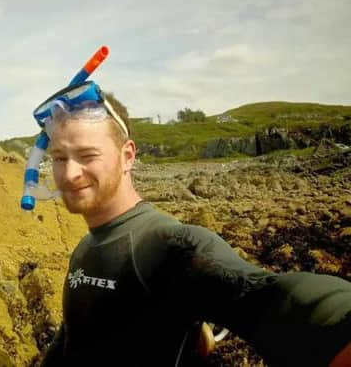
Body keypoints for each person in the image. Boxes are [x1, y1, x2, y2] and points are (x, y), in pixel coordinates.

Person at [35, 81, 351, 366]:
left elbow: (269, 295)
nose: (69, 173)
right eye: (60, 157)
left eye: (87, 155)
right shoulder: (86, 246)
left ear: (128, 156)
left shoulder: (168, 245)